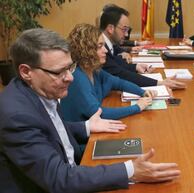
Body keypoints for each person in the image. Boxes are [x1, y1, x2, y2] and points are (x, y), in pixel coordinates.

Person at [0, 28, 180, 193]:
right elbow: (59, 178)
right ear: (26, 72)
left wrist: (86, 126)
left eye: (69, 67)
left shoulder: (38, 90)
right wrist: (130, 170)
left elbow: (51, 129)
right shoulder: (17, 116)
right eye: (59, 72)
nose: (70, 77)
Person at [60, 24, 155, 121]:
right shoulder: (77, 77)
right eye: (100, 46)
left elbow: (119, 83)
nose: (105, 50)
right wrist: (137, 107)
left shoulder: (93, 70)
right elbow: (100, 113)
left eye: (104, 45)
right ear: (86, 50)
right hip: (80, 135)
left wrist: (142, 92)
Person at [100, 6, 185, 89]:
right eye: (124, 29)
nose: (126, 35)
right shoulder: (99, 49)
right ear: (110, 28)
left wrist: (136, 67)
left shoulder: (109, 43)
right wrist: (160, 83)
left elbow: (116, 64)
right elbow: (120, 73)